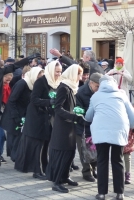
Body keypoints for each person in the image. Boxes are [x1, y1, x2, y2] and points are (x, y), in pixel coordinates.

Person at [85, 75, 134, 200]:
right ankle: (120, 194)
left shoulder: (96, 96)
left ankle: (102, 193)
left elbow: (88, 117)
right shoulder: (122, 95)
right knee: (118, 160)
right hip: (119, 131)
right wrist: (132, 126)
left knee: (102, 161)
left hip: (101, 131)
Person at [15, 61, 62, 179]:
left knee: (46, 144)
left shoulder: (57, 82)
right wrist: (49, 102)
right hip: (37, 116)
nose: (59, 74)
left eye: (60, 72)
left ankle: (45, 168)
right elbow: (34, 99)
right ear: (51, 70)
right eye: (57, 72)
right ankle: (37, 170)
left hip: (48, 117)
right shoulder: (41, 82)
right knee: (38, 145)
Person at [46, 64, 85, 193]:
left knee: (70, 152)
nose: (81, 77)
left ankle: (65, 176)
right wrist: (74, 117)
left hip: (70, 125)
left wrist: (77, 113)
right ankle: (57, 181)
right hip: (62, 127)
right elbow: (58, 109)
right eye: (79, 74)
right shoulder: (63, 87)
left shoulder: (72, 88)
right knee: (62, 153)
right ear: (73, 74)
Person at [0, 67, 44, 162]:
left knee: (19, 137)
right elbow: (12, 100)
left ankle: (17, 157)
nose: (39, 80)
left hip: (22, 114)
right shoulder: (22, 83)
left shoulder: (32, 84)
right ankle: (15, 157)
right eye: (39, 77)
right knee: (14, 136)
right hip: (13, 114)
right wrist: (16, 116)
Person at [75, 73, 102, 183]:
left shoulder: (99, 93)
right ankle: (86, 171)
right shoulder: (81, 92)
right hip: (83, 126)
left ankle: (94, 169)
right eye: (97, 86)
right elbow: (79, 111)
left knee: (94, 149)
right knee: (84, 150)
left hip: (95, 126)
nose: (98, 89)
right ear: (91, 83)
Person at [0, 72, 14, 162]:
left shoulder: (8, 87)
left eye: (9, 80)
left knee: (2, 135)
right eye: (6, 79)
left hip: (3, 114)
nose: (7, 82)